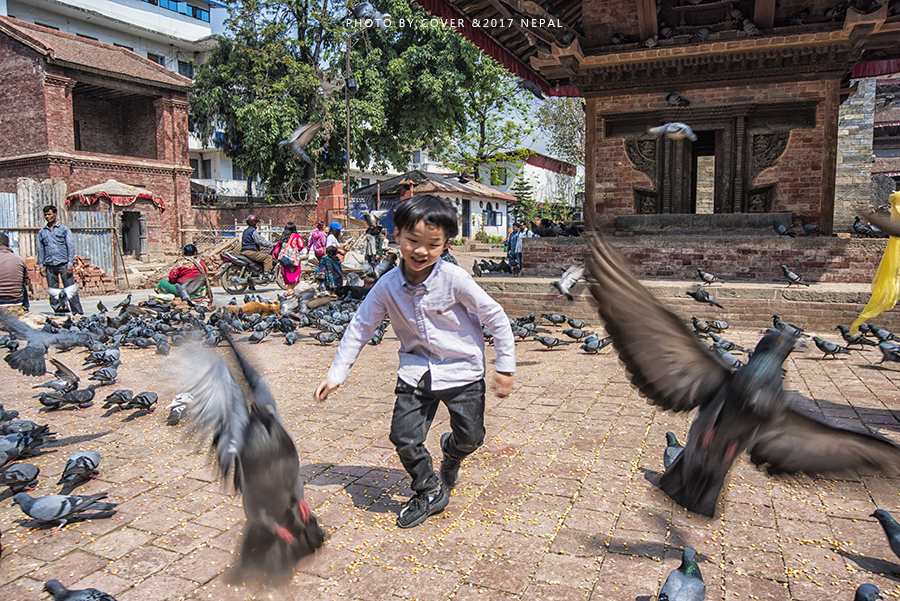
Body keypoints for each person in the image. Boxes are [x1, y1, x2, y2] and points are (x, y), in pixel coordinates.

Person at [314, 194, 515, 529]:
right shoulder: (387, 286)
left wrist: (505, 367)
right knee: (403, 436)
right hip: (415, 370)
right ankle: (427, 488)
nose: (421, 251)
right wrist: (337, 374)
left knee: (470, 438)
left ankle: (451, 455)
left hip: (462, 370)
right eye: (413, 240)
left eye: (432, 244)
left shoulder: (455, 279)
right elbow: (360, 327)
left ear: (445, 245)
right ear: (398, 237)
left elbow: (494, 316)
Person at [37, 205, 83, 315]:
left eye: (49, 214)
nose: (47, 217)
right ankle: (58, 311)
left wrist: (70, 263)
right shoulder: (42, 232)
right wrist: (41, 265)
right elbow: (40, 249)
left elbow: (70, 247)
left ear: (55, 214)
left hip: (63, 264)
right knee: (53, 291)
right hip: (49, 265)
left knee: (70, 290)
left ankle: (77, 313)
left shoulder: (64, 229)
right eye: (45, 215)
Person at [273, 222, 305, 295]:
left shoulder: (283, 237)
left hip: (284, 260)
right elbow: (301, 246)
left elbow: (277, 249)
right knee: (294, 274)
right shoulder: (297, 236)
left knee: (287, 274)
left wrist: (277, 257)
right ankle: (291, 291)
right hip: (293, 259)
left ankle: (290, 290)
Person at [0, 232, 29, 311]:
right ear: (8, 245)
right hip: (16, 300)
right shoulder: (19, 259)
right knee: (22, 284)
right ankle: (25, 309)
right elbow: (26, 281)